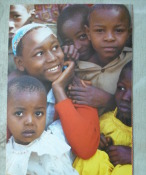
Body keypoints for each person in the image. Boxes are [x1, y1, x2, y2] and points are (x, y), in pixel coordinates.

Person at [8, 23, 100, 160]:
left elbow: (86, 150)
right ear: (20, 63)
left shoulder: (79, 90)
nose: (52, 58)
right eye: (39, 53)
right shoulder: (12, 95)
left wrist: (59, 90)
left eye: (55, 47)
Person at [6, 75, 80, 175]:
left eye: (38, 113)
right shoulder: (7, 149)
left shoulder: (52, 152)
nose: (30, 122)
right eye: (19, 113)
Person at [67, 4, 132, 115]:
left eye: (119, 30)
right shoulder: (76, 67)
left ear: (129, 33)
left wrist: (108, 101)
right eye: (100, 30)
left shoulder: (134, 62)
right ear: (88, 33)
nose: (109, 38)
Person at [73, 61, 132, 175]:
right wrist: (98, 142)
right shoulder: (105, 121)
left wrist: (133, 156)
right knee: (90, 159)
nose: (125, 97)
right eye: (121, 88)